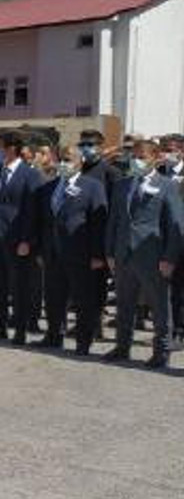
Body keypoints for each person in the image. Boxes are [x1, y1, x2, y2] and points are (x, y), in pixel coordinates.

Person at [103, 139, 183, 368]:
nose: (136, 161)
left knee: (159, 305)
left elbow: (176, 224)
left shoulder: (167, 185)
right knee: (124, 303)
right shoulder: (123, 184)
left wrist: (169, 258)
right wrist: (110, 251)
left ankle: (162, 350)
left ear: (155, 158)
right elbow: (114, 220)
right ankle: (122, 346)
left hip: (152, 256)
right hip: (123, 254)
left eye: (141, 157)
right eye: (134, 157)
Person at [37, 147, 107, 353]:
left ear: (80, 162)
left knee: (83, 299)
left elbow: (99, 222)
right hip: (53, 252)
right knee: (53, 297)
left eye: (68, 160)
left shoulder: (92, 186)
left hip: (81, 253)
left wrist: (97, 254)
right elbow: (43, 221)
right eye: (61, 159)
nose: (63, 164)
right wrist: (41, 250)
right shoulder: (49, 187)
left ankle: (83, 341)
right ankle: (54, 335)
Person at [0, 131, 42, 344]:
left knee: (19, 286)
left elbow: (32, 211)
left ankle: (20, 329)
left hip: (17, 239)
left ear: (12, 148)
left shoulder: (30, 174)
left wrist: (27, 240)